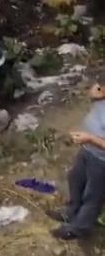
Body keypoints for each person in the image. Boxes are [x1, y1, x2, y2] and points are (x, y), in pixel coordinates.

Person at [46, 81, 105, 240]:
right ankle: (70, 212)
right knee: (75, 179)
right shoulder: (101, 97)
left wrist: (91, 138)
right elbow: (94, 99)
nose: (98, 87)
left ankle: (79, 228)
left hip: (101, 160)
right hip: (87, 150)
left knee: (93, 195)